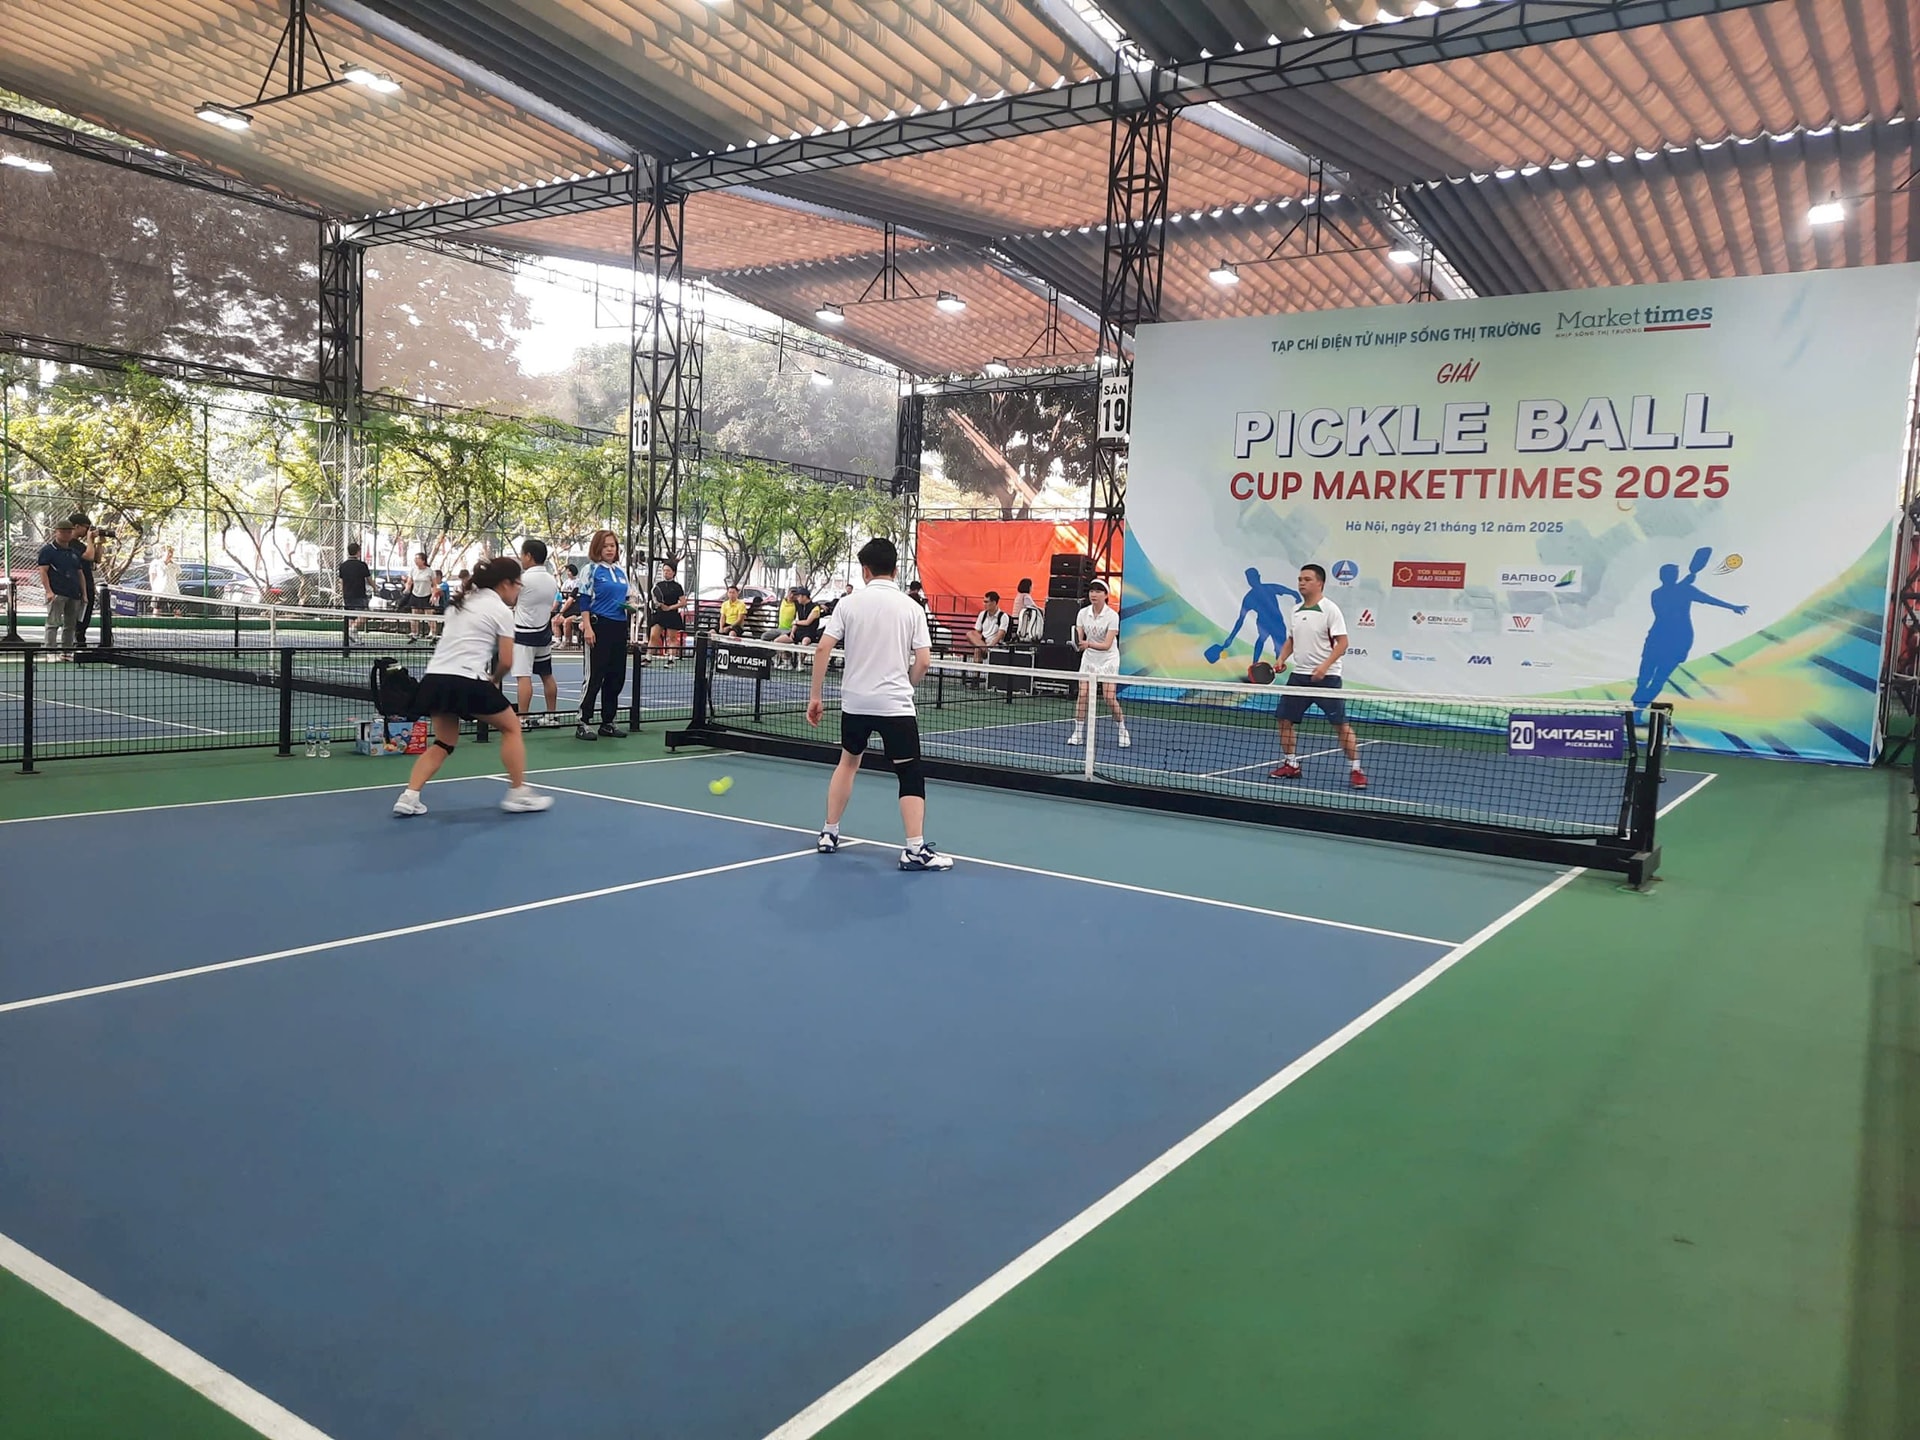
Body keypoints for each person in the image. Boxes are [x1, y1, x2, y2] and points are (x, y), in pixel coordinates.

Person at [807, 536, 952, 871]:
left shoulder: (848, 604)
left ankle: (829, 833)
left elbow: (823, 648)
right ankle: (914, 849)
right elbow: (924, 661)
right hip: (895, 706)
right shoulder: (912, 608)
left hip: (855, 703)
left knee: (848, 763)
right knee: (909, 772)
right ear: (896, 570)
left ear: (865, 571)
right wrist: (906, 684)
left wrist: (816, 696)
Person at [391, 557, 552, 817]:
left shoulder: (460, 602)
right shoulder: (501, 611)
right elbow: (507, 660)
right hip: (465, 679)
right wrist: (495, 679)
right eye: (518, 584)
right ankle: (518, 793)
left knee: (444, 742)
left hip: (435, 679)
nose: (519, 590)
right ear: (505, 583)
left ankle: (409, 796)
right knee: (512, 727)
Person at [1269, 563, 1366, 789]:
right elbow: (1291, 640)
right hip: (1299, 677)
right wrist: (1281, 658)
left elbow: (1343, 643)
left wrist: (1324, 666)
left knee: (1340, 724)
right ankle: (1291, 764)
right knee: (1284, 720)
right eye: (1300, 579)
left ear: (1319, 583)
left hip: (1327, 678)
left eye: (1307, 579)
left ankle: (1356, 770)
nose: (1301, 583)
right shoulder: (1295, 610)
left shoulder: (1330, 609)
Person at [1631, 552, 1748, 715]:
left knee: (1658, 679)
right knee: (1644, 678)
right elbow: (1665, 612)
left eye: (1674, 573)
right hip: (1658, 639)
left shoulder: (1684, 589)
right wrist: (1683, 587)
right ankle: (1635, 710)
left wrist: (1733, 607)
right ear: (1663, 577)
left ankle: (1637, 712)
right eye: (1670, 574)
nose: (1673, 576)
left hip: (1678, 640)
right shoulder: (1660, 593)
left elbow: (1709, 599)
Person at [574, 529, 634, 741]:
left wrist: (630, 606)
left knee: (616, 676)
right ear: (598, 547)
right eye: (606, 546)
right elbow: (584, 599)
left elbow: (627, 597)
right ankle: (583, 721)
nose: (610, 549)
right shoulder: (590, 569)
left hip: (619, 627)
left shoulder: (620, 572)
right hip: (599, 626)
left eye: (613, 546)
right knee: (594, 676)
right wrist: (587, 626)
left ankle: (608, 722)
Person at [1069, 580, 1130, 749]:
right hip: (1090, 658)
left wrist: (1087, 644)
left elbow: (1106, 645)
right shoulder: (1082, 613)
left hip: (1108, 658)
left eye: (1098, 592)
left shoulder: (1112, 616)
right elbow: (1079, 638)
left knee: (1109, 697)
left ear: (1106, 595)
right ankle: (1078, 734)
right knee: (1083, 694)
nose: (1093, 595)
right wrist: (1076, 643)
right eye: (1091, 591)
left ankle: (1122, 731)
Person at [1206, 566, 1303, 667]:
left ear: (1258, 577)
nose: (1251, 581)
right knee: (1261, 640)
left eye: (1253, 577)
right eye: (1249, 579)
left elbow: (1293, 592)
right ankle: (1255, 664)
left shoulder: (1269, 588)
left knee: (1279, 649)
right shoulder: (1249, 597)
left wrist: (1298, 599)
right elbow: (1241, 620)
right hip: (1264, 623)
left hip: (1277, 622)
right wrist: (1231, 638)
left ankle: (1275, 665)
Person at [512, 538, 561, 722]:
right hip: (544, 633)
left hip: (523, 634)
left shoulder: (523, 580)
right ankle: (551, 716)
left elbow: (510, 600)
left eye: (522, 554)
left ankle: (522, 719)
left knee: (523, 676)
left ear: (529, 556)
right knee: (546, 675)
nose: (521, 558)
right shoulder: (551, 580)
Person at [36, 517, 84, 653]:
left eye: (69, 531)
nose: (66, 534)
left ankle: (67, 651)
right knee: (53, 623)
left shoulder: (74, 552)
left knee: (70, 625)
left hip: (74, 593)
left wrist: (84, 593)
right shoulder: (47, 551)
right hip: (57, 592)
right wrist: (49, 591)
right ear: (56, 532)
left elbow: (80, 573)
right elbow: (43, 571)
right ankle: (50, 651)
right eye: (62, 531)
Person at [646, 559, 686, 664]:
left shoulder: (677, 587)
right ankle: (648, 657)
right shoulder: (659, 585)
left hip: (672, 615)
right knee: (653, 636)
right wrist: (658, 605)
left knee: (672, 638)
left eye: (668, 571)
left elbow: (683, 602)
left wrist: (669, 607)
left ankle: (671, 658)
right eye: (664, 570)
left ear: (674, 572)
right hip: (659, 614)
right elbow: (655, 599)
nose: (665, 573)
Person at [965, 590, 1010, 681]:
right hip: (983, 641)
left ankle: (976, 678)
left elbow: (1001, 634)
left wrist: (990, 645)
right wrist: (982, 644)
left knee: (977, 649)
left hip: (995, 644)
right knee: (969, 634)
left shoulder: (1003, 616)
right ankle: (984, 649)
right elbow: (977, 632)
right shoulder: (982, 614)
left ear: (994, 603)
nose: (984, 604)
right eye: (984, 601)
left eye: (986, 602)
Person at [67, 515, 97, 644]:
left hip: (88, 582)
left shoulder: (80, 545)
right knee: (77, 616)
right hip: (76, 584)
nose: (87, 531)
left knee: (86, 614)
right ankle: (76, 640)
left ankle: (81, 638)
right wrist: (90, 539)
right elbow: (88, 556)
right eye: (86, 528)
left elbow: (96, 558)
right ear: (76, 526)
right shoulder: (69, 544)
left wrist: (98, 542)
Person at [337, 541, 371, 640]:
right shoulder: (362, 565)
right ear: (358, 552)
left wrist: (343, 592)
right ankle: (353, 630)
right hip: (359, 594)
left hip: (347, 595)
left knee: (351, 616)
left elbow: (341, 582)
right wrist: (376, 588)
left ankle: (352, 634)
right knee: (365, 614)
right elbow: (369, 579)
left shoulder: (343, 565)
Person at [404, 551, 435, 642]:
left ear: (423, 560)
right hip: (415, 595)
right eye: (415, 558)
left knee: (429, 616)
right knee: (414, 615)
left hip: (427, 595)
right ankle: (414, 633)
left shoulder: (430, 571)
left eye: (417, 558)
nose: (415, 560)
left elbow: (434, 585)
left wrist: (433, 596)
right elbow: (409, 582)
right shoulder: (413, 570)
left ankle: (433, 633)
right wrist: (407, 589)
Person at [147, 544, 180, 619]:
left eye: (172, 552)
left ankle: (178, 624)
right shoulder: (156, 563)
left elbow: (177, 577)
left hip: (173, 591)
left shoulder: (175, 565)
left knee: (177, 610)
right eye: (168, 552)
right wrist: (154, 589)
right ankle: (155, 624)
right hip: (160, 591)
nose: (170, 554)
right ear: (163, 553)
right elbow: (152, 577)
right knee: (157, 609)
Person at [554, 564, 582, 648]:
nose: (567, 573)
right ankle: (557, 640)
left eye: (569, 571)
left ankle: (567, 641)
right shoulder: (566, 582)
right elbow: (562, 594)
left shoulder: (578, 583)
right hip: (566, 607)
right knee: (555, 620)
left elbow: (571, 599)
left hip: (575, 610)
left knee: (567, 622)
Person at [1012, 577, 1044, 644]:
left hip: (1015, 619)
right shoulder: (1026, 596)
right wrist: (1043, 610)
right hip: (1021, 621)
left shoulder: (1018, 595)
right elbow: (1033, 607)